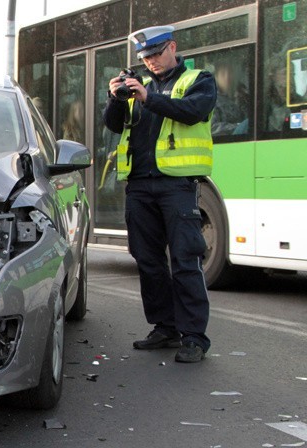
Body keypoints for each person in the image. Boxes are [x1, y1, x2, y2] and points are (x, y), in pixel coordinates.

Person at [102, 25, 216, 363]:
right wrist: (115, 97)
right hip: (139, 184)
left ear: (172, 48)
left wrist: (149, 97)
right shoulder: (141, 89)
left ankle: (194, 337)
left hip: (177, 185)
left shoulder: (198, 80)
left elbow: (192, 112)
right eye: (144, 58)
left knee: (184, 260)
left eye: (154, 54)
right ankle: (165, 327)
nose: (150, 62)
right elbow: (113, 125)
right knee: (148, 260)